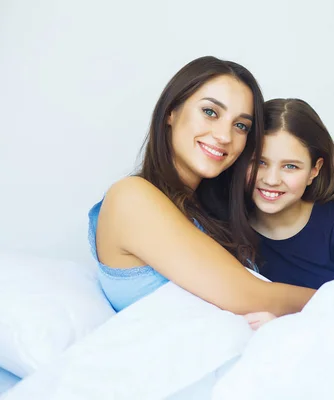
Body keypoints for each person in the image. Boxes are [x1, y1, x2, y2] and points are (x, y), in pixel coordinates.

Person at [87, 56, 315, 319]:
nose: (224, 136)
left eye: (240, 126)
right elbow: (244, 294)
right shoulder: (129, 198)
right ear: (171, 112)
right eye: (210, 112)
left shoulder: (213, 217)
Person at [248, 98, 334, 290]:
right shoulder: (225, 224)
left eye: (290, 166)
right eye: (259, 163)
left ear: (314, 171)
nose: (271, 180)